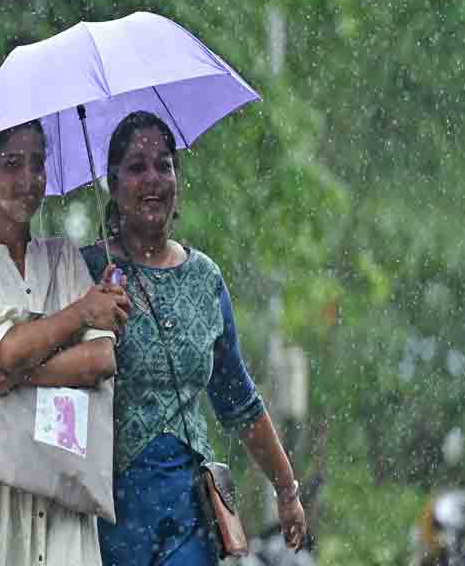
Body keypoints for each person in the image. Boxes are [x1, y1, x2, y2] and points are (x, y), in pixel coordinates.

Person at [82, 110, 307, 565]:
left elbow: (239, 399)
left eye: (164, 165)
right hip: (106, 509)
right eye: (136, 166)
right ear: (113, 184)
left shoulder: (205, 278)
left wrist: (286, 490)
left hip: (189, 508)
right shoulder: (85, 270)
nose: (152, 178)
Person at [0, 119, 131, 565]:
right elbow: (9, 347)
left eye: (37, 163)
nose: (28, 179)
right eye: (11, 164)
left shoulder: (63, 256)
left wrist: (15, 376)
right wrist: (81, 312)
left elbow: (100, 359)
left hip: (66, 468)